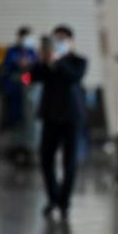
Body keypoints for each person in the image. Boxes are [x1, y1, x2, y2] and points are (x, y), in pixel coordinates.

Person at [31, 25, 87, 218]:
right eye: (57, 40)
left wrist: (59, 60)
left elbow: (74, 77)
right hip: (50, 116)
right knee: (46, 158)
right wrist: (43, 60)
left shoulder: (78, 61)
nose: (60, 43)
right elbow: (32, 77)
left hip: (71, 116)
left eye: (63, 39)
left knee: (69, 161)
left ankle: (65, 201)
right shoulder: (47, 62)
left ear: (71, 41)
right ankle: (52, 198)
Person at [1, 26, 38, 128]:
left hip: (28, 82)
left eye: (28, 38)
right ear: (19, 38)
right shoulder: (12, 51)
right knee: (14, 103)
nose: (26, 41)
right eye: (24, 37)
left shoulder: (32, 52)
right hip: (14, 82)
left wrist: (29, 64)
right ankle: (14, 121)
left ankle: (27, 122)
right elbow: (6, 65)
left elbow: (37, 66)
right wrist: (17, 63)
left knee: (29, 101)